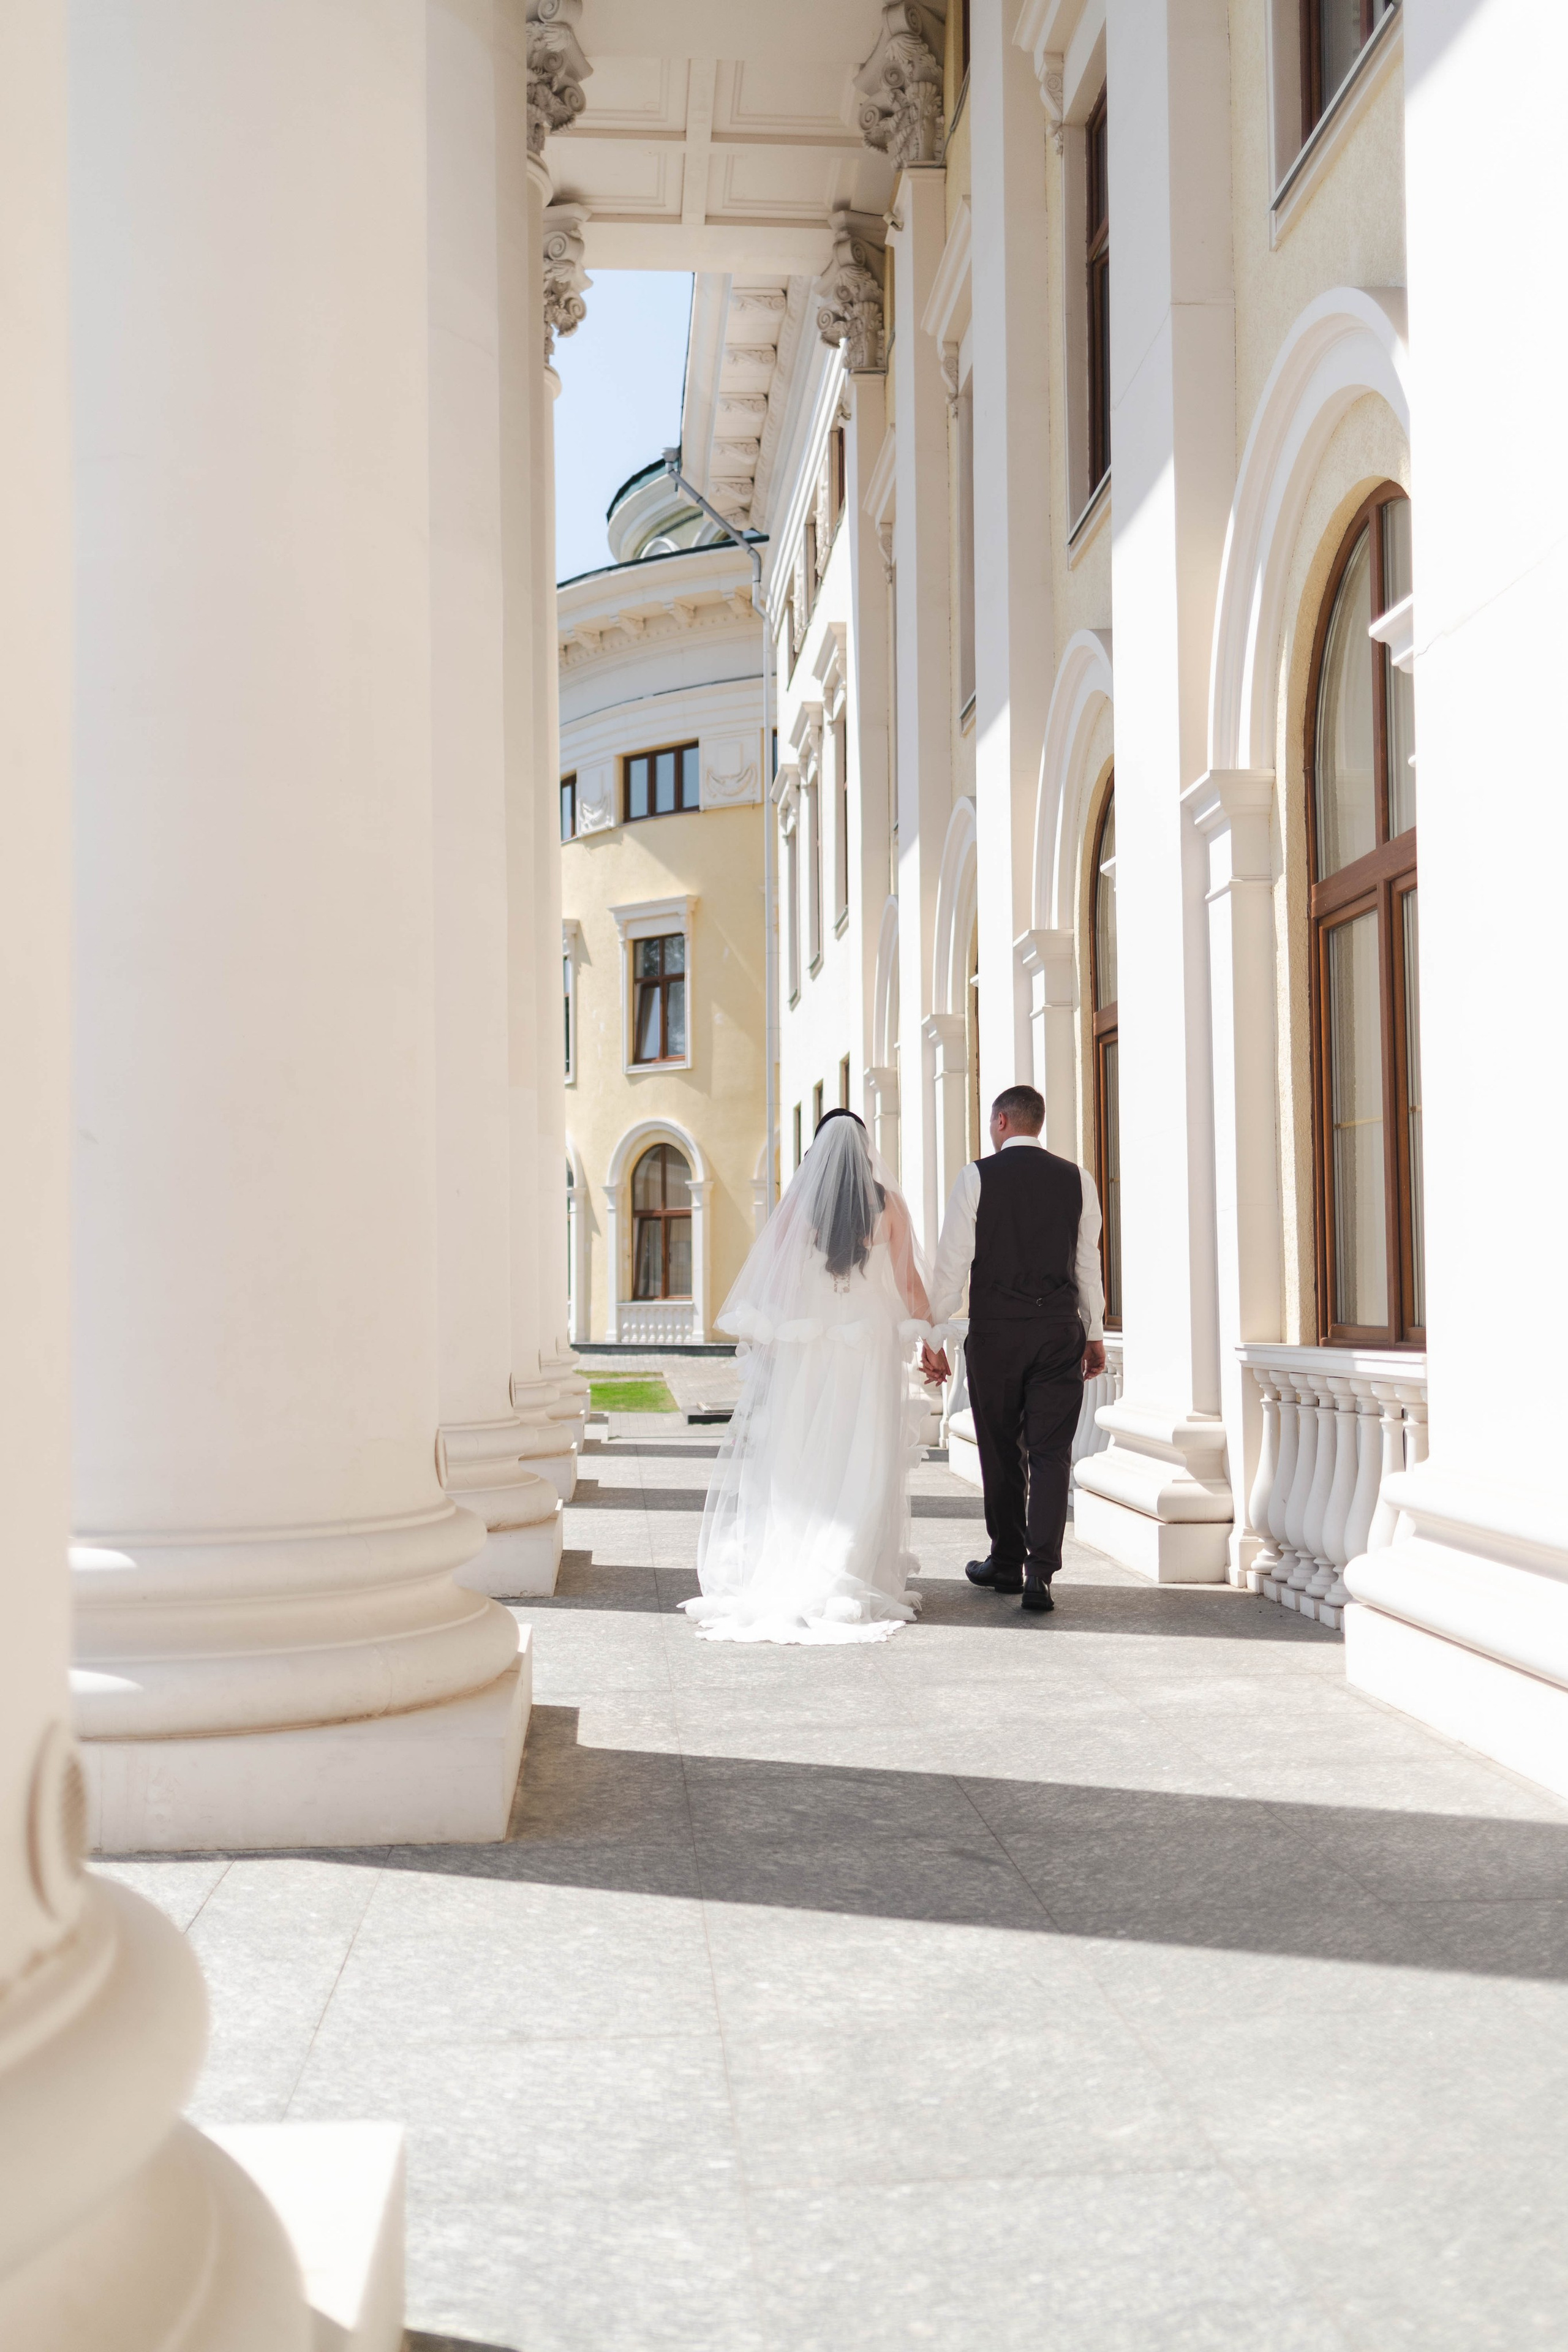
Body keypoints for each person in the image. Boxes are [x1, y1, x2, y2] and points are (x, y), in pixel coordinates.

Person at [682, 1109, 935, 1644]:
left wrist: (773, 1338)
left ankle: (798, 1555)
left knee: (800, 1447)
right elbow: (909, 1283)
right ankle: (851, 1562)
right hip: (866, 1342)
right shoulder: (889, 1206)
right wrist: (932, 1341)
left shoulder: (800, 1205)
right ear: (866, 1152)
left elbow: (775, 1277)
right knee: (863, 1446)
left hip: (811, 1340)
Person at [921, 1085, 1106, 1614]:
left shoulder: (976, 1176)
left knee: (1001, 1449)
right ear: (1037, 1123)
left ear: (1001, 1121)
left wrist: (934, 1337)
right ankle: (1039, 1574)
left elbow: (952, 1264)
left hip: (997, 1335)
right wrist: (1093, 1331)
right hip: (1058, 1332)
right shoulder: (1078, 1179)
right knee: (1051, 1454)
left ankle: (1005, 1561)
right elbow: (1086, 1262)